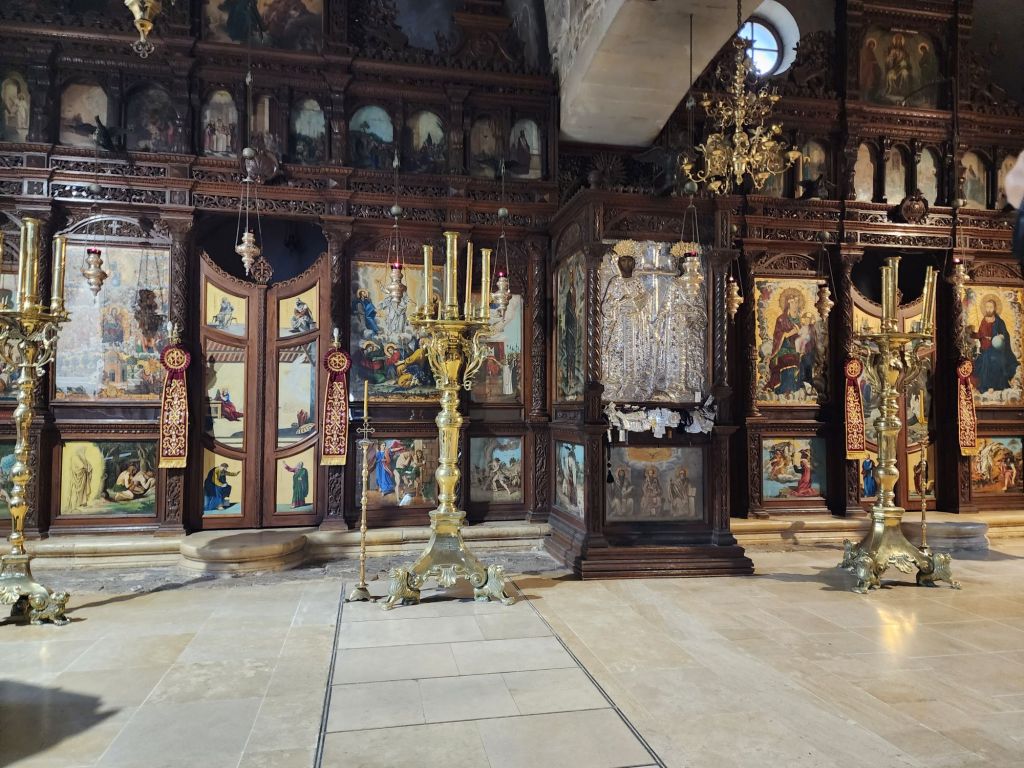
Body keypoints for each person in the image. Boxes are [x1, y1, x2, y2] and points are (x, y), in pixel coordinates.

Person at [971, 296, 1020, 393]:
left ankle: (992, 386)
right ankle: (985, 385)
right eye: (987, 307)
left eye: (991, 307)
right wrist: (971, 334)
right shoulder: (983, 320)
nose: (988, 309)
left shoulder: (999, 322)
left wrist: (1000, 337)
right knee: (980, 359)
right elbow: (980, 334)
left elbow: (1005, 334)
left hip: (996, 349)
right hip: (984, 348)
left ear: (994, 308)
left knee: (990, 358)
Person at [767, 289, 809, 397]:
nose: (795, 305)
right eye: (793, 302)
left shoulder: (801, 320)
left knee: (805, 360)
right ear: (788, 303)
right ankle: (785, 391)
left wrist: (802, 334)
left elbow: (804, 337)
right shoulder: (781, 319)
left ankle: (796, 389)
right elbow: (777, 336)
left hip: (797, 349)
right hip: (783, 349)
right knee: (789, 360)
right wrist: (790, 333)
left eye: (797, 302)